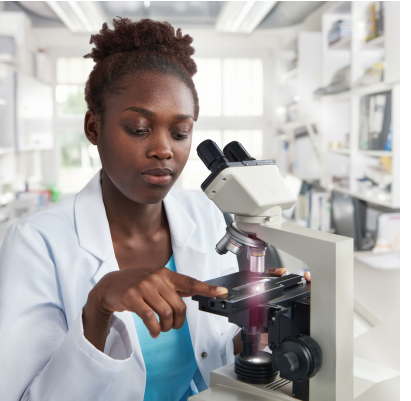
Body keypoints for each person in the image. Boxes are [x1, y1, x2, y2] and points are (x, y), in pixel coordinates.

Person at [0, 18, 310, 401]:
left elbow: (215, 350)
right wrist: (98, 308)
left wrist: (262, 321)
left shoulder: (205, 212)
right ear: (93, 128)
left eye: (180, 133)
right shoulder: (35, 243)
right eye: (139, 128)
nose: (164, 149)